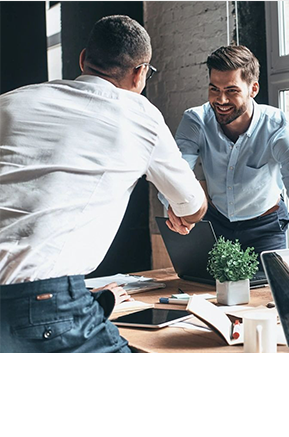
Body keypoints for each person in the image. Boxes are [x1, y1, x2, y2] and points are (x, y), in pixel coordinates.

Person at [0, 15, 207, 353]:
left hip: (42, 301)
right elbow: (191, 204)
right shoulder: (139, 114)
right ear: (140, 74)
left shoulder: (10, 102)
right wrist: (186, 213)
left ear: (83, 60)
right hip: (45, 307)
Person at [165, 45, 289, 261]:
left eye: (231, 91)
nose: (220, 100)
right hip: (215, 224)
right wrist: (173, 206)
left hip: (265, 228)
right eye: (214, 89)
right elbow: (175, 170)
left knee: (267, 291)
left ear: (253, 89)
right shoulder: (196, 120)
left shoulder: (279, 127)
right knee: (204, 290)